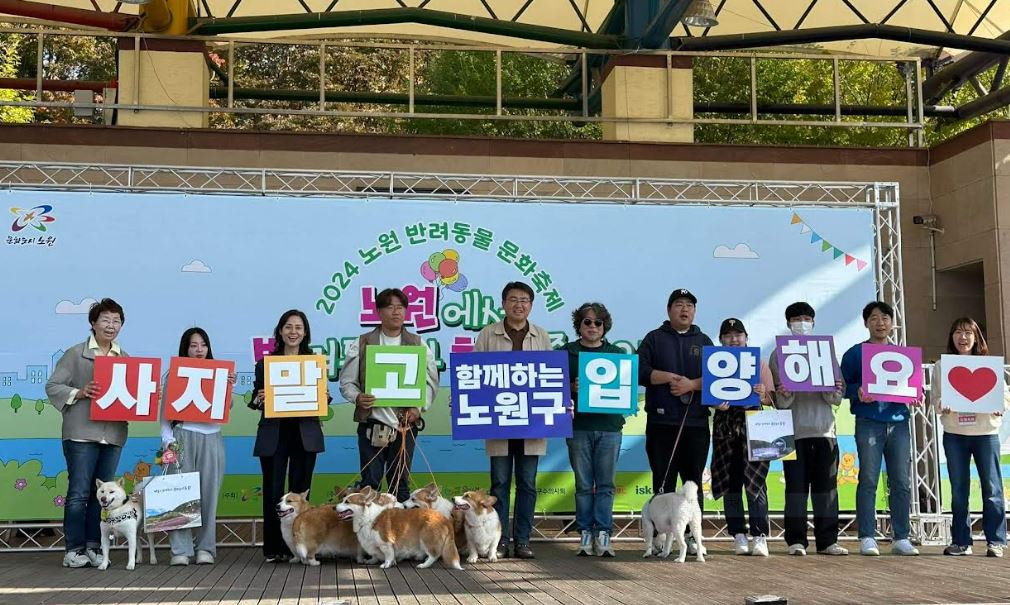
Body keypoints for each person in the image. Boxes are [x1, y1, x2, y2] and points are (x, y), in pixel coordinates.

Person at [45, 298, 128, 568]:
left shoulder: (125, 359)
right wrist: (79, 393)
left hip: (112, 434)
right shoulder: (75, 353)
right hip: (81, 433)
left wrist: (149, 396)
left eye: (116, 321)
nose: (111, 325)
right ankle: (73, 549)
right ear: (93, 322)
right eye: (105, 319)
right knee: (79, 492)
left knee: (102, 496)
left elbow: (131, 396)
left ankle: (94, 546)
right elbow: (53, 385)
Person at [474, 281, 552, 560]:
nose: (519, 304)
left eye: (525, 300)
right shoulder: (488, 335)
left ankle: (522, 540)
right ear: (503, 303)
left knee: (528, 483)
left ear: (531, 305)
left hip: (532, 424)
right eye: (513, 299)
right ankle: (500, 540)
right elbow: (474, 375)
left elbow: (549, 378)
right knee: (499, 483)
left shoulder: (541, 336)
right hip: (499, 423)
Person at [339, 288, 439, 502]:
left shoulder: (417, 343)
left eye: (401, 307)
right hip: (372, 425)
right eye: (390, 307)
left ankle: (398, 534)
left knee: (400, 485)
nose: (396, 312)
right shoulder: (363, 342)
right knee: (370, 485)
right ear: (378, 312)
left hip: (405, 426)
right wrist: (357, 397)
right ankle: (369, 534)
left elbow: (431, 381)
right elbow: (347, 381)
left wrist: (417, 408)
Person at [840, 301, 919, 556]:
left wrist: (918, 396)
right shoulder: (854, 354)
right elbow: (842, 386)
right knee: (869, 479)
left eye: (885, 317)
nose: (880, 322)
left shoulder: (904, 355)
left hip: (898, 423)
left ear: (892, 322)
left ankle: (902, 536)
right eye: (874, 318)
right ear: (866, 323)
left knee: (901, 481)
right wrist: (857, 391)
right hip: (868, 423)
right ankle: (867, 536)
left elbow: (913, 389)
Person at [769, 302, 848, 556]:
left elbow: (837, 397)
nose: (802, 322)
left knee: (826, 489)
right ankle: (796, 541)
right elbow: (779, 401)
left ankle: (827, 541)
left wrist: (832, 387)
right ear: (788, 323)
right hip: (793, 431)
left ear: (813, 322)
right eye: (796, 319)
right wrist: (786, 392)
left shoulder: (826, 351)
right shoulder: (777, 354)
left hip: (825, 430)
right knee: (795, 489)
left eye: (806, 318)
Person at [637, 288, 712, 555]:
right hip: (661, 425)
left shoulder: (704, 340)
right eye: (679, 304)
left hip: (696, 425)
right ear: (669, 310)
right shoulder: (654, 339)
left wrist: (691, 384)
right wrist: (668, 377)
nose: (685, 309)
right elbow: (639, 371)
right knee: (663, 482)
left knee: (692, 485)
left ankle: (692, 538)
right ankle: (658, 539)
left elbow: (718, 378)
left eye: (690, 305)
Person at [250, 310, 327, 563]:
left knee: (300, 494)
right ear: (280, 331)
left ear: (305, 333)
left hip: (305, 433)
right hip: (275, 434)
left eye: (298, 327)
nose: (293, 332)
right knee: (273, 491)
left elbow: (323, 396)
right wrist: (259, 399)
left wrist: (323, 398)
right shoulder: (265, 363)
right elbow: (255, 397)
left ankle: (301, 546)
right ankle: (274, 547)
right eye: (288, 327)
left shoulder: (314, 362)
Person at [160, 328, 236, 566]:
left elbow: (227, 406)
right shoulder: (173, 373)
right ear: (186, 348)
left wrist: (227, 386)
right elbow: (165, 412)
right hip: (181, 436)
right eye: (193, 345)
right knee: (179, 494)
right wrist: (167, 439)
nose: (199, 350)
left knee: (208, 494)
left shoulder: (219, 373)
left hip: (211, 436)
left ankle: (205, 548)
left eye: (203, 345)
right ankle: (180, 550)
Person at [935, 317, 1008, 557]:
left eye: (968, 332)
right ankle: (961, 541)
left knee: (992, 488)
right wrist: (941, 405)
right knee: (958, 489)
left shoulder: (989, 365)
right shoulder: (941, 367)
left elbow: (1005, 397)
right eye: (957, 332)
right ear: (951, 337)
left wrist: (1000, 405)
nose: (962, 337)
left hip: (986, 434)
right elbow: (934, 398)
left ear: (977, 337)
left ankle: (996, 541)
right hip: (955, 434)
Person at [558, 302, 625, 557]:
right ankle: (585, 532)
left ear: (605, 325)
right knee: (584, 484)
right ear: (579, 325)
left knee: (606, 485)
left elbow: (627, 388)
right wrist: (570, 389)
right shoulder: (565, 352)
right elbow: (550, 386)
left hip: (609, 427)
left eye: (598, 322)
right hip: (578, 427)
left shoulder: (618, 354)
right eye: (587, 322)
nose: (593, 327)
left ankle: (604, 533)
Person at [709, 318, 774, 557]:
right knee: (730, 482)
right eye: (728, 335)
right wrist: (718, 404)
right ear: (721, 340)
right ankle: (738, 534)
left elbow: (771, 400)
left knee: (757, 482)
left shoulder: (760, 362)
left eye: (738, 335)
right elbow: (709, 397)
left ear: (746, 338)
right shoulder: (714, 364)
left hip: (754, 425)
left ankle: (760, 535)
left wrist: (763, 394)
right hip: (725, 428)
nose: (734, 339)